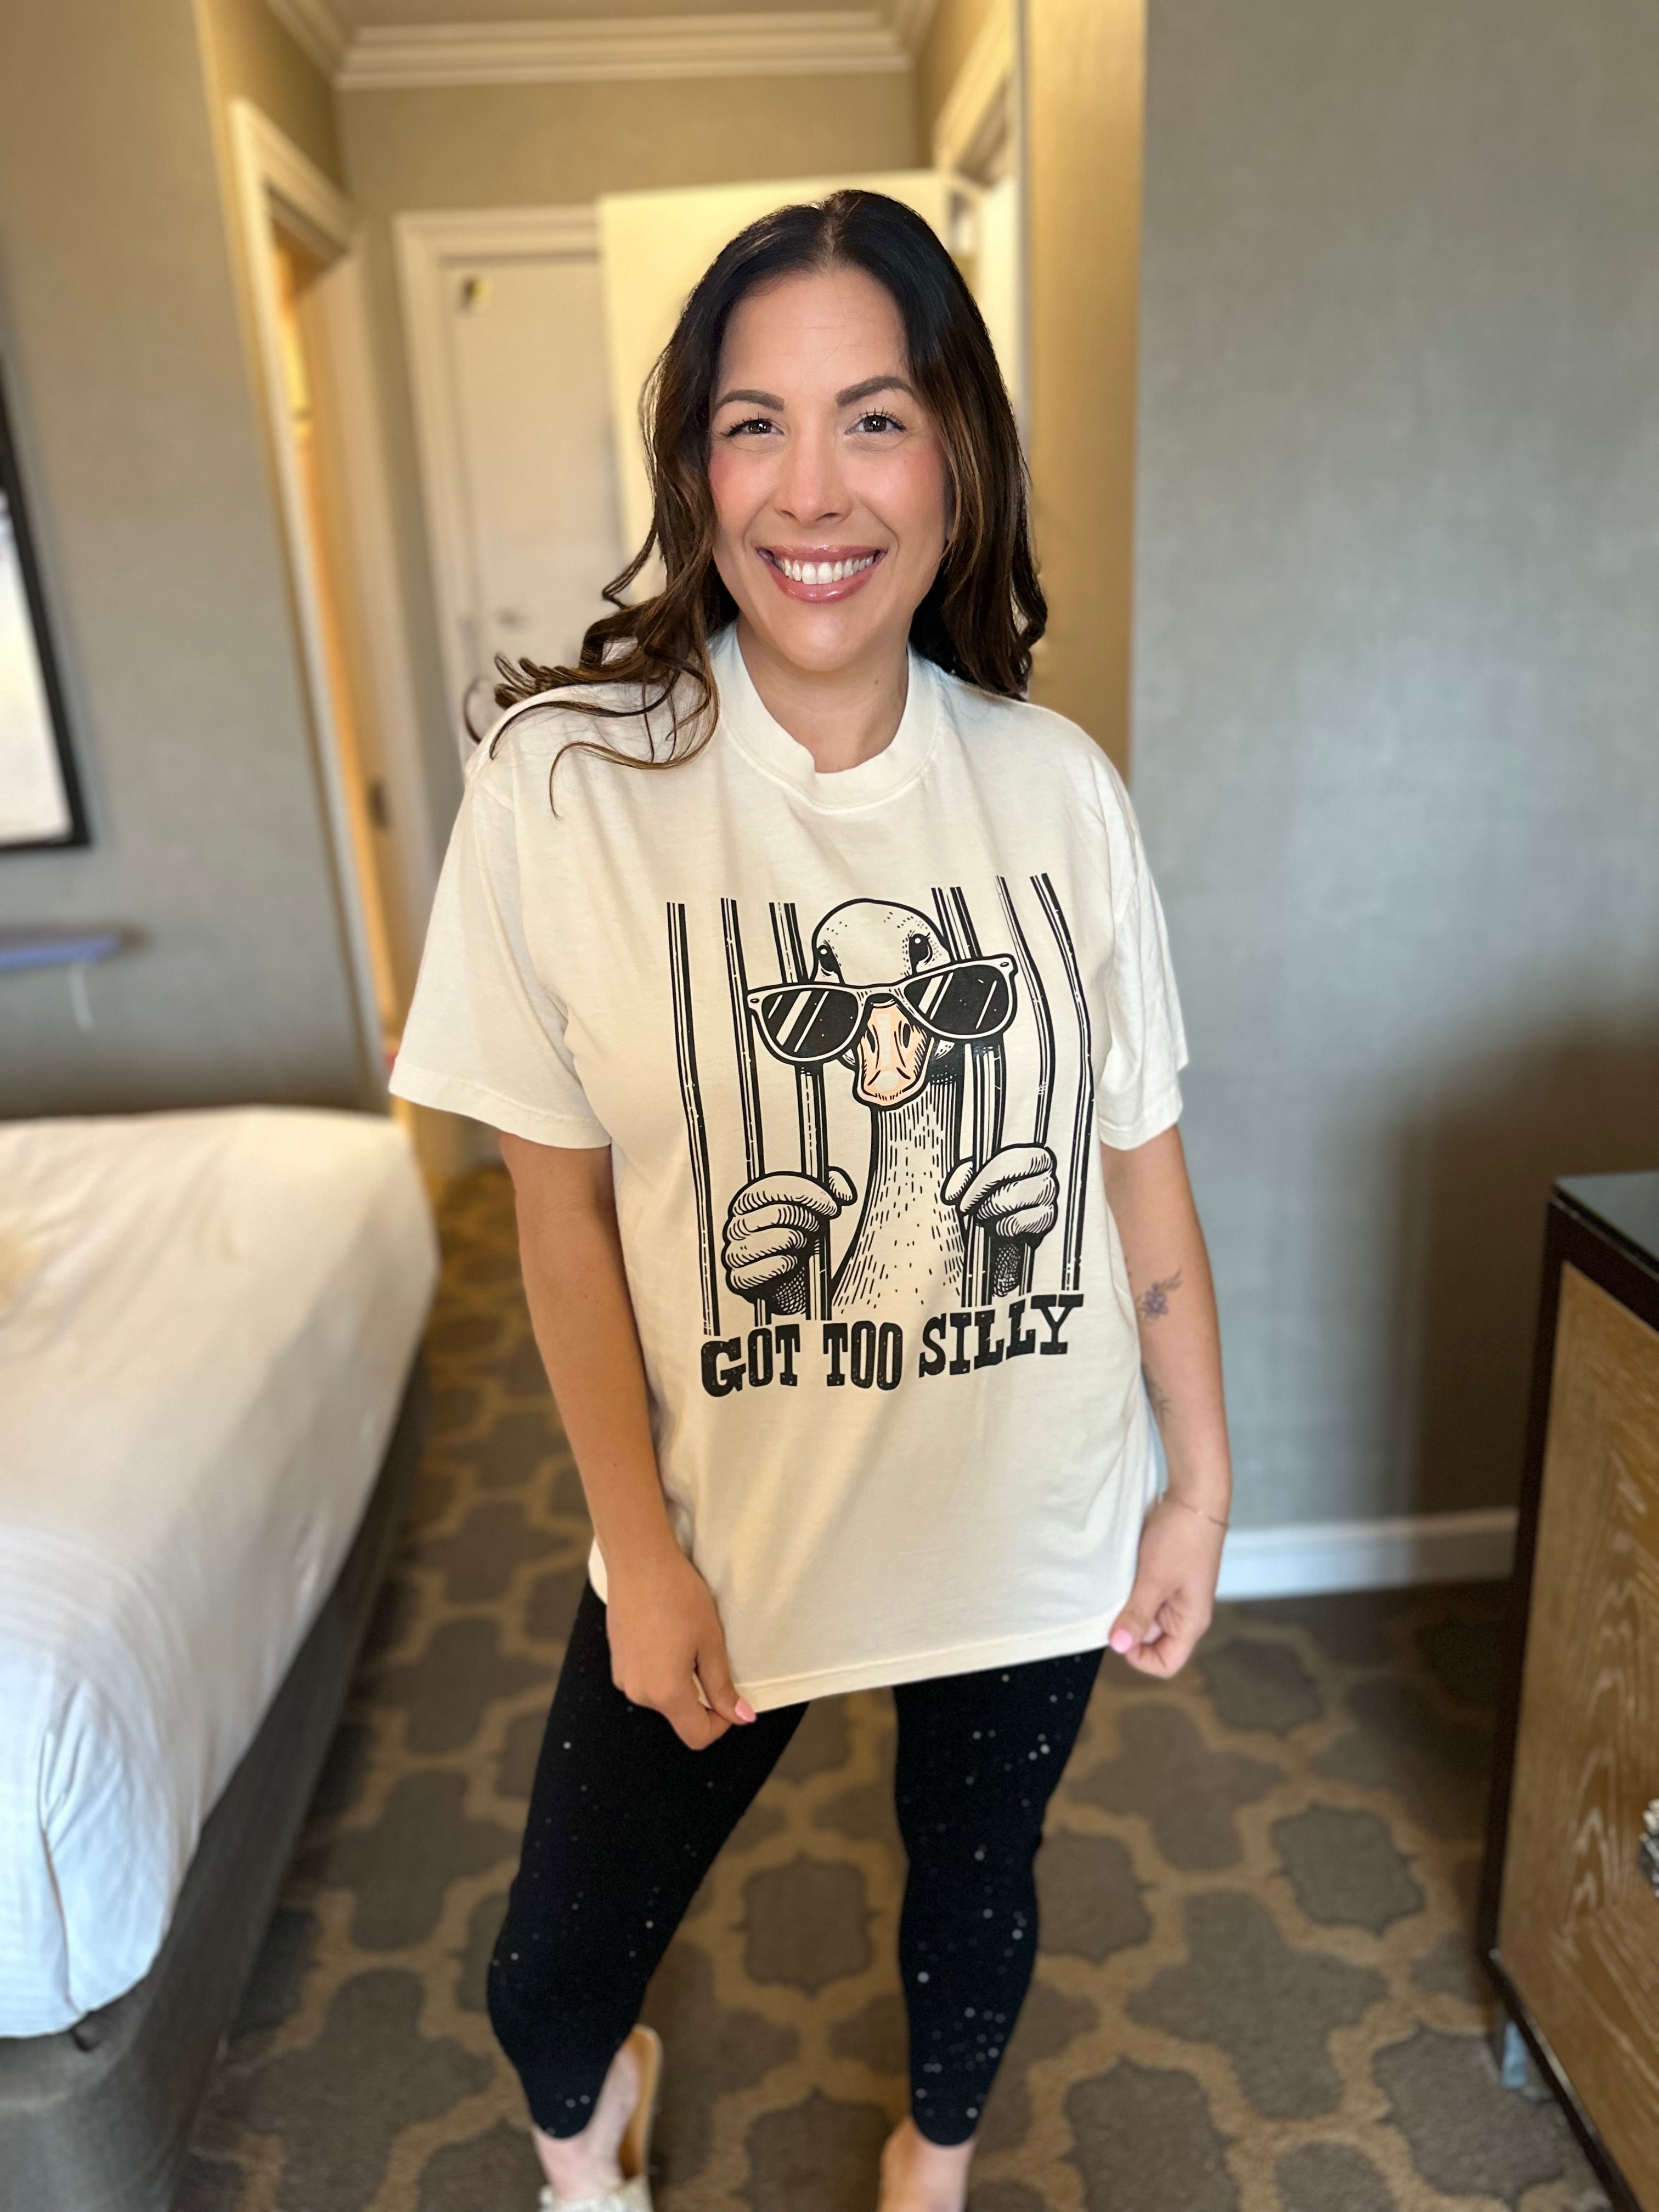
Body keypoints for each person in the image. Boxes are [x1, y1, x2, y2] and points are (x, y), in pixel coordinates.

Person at [390, 188, 1232, 2212]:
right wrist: (640, 1553)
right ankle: (592, 2150)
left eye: (874, 417)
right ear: (697, 468)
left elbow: (1141, 1170)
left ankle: (929, 2171)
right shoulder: (566, 786)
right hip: (724, 1534)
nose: (813, 488)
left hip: (1020, 1511)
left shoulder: (1057, 791)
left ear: (955, 455)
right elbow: (558, 1222)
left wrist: (1199, 1482)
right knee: (549, 1977)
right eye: (752, 423)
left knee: (975, 1906)